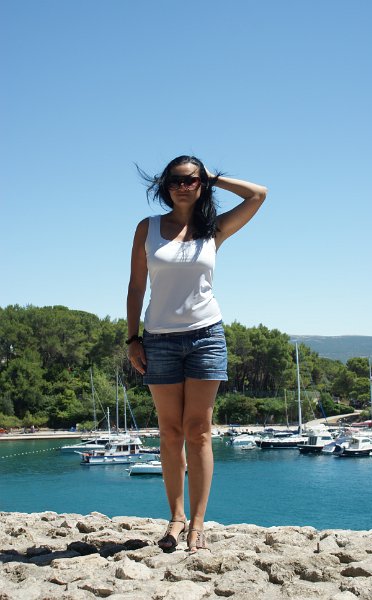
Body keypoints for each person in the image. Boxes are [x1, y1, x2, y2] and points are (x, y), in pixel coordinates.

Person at [126, 155, 267, 553]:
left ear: (202, 184)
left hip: (206, 337)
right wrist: (132, 338)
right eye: (175, 180)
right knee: (170, 433)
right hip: (159, 340)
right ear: (164, 185)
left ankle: (199, 523)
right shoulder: (148, 228)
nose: (183, 186)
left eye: (191, 180)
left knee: (199, 431)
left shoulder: (213, 229)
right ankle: (176, 519)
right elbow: (136, 286)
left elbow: (258, 195)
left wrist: (213, 177)